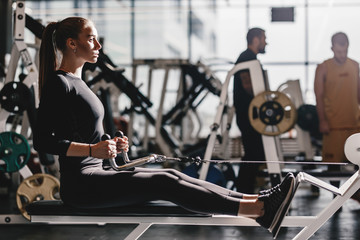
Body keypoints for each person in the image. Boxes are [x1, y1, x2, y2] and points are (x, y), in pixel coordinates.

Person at [33, 17, 296, 236]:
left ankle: (257, 202)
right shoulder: (60, 83)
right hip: (82, 186)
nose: (99, 45)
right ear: (72, 44)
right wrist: (93, 150)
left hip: (98, 175)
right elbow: (43, 141)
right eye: (92, 38)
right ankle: (259, 210)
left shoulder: (80, 83)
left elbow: (85, 134)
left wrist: (113, 144)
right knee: (163, 180)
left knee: (172, 176)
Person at [314, 32, 360, 202]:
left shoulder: (355, 65)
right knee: (334, 167)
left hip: (354, 125)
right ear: (332, 48)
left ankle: (356, 194)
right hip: (333, 126)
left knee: (358, 165)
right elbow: (318, 96)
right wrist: (322, 120)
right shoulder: (323, 67)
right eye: (339, 52)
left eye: (345, 51)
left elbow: (358, 93)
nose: (342, 55)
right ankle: (336, 199)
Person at [233, 27, 267, 193]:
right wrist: (266, 102)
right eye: (263, 38)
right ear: (255, 39)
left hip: (251, 115)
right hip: (248, 116)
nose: (265, 42)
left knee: (255, 154)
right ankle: (242, 192)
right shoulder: (247, 57)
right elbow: (248, 86)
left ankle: (244, 191)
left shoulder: (250, 58)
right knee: (254, 154)